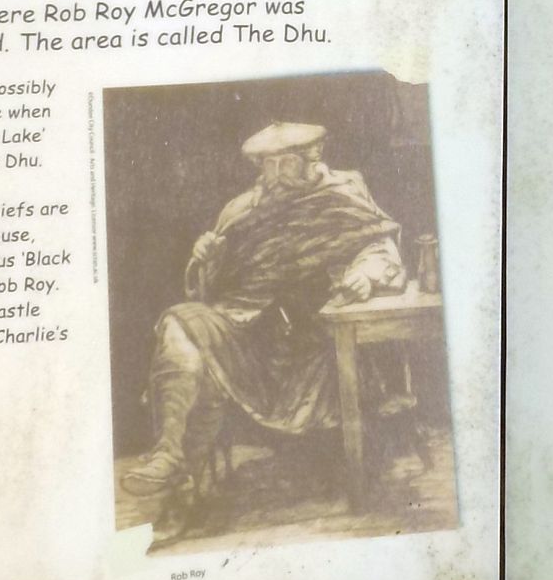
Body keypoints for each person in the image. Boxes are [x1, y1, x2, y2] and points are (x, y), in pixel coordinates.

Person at [122, 121, 405, 496]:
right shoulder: (241, 210)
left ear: (312, 156)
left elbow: (381, 249)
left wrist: (365, 275)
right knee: (180, 322)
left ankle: (182, 465)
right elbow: (211, 292)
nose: (273, 174)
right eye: (265, 165)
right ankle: (170, 456)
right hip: (249, 331)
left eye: (283, 163)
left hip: (315, 335)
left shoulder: (344, 192)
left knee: (210, 353)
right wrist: (206, 260)